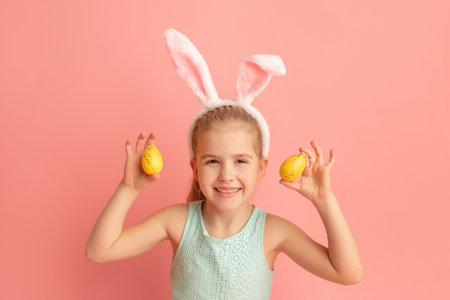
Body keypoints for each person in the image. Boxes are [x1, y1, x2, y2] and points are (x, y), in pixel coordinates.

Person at [85, 29, 362, 299]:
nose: (226, 174)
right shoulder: (177, 221)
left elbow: (347, 273)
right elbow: (100, 250)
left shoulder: (273, 231)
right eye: (213, 161)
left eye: (241, 161)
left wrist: (325, 200)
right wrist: (128, 188)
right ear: (195, 169)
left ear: (261, 168)